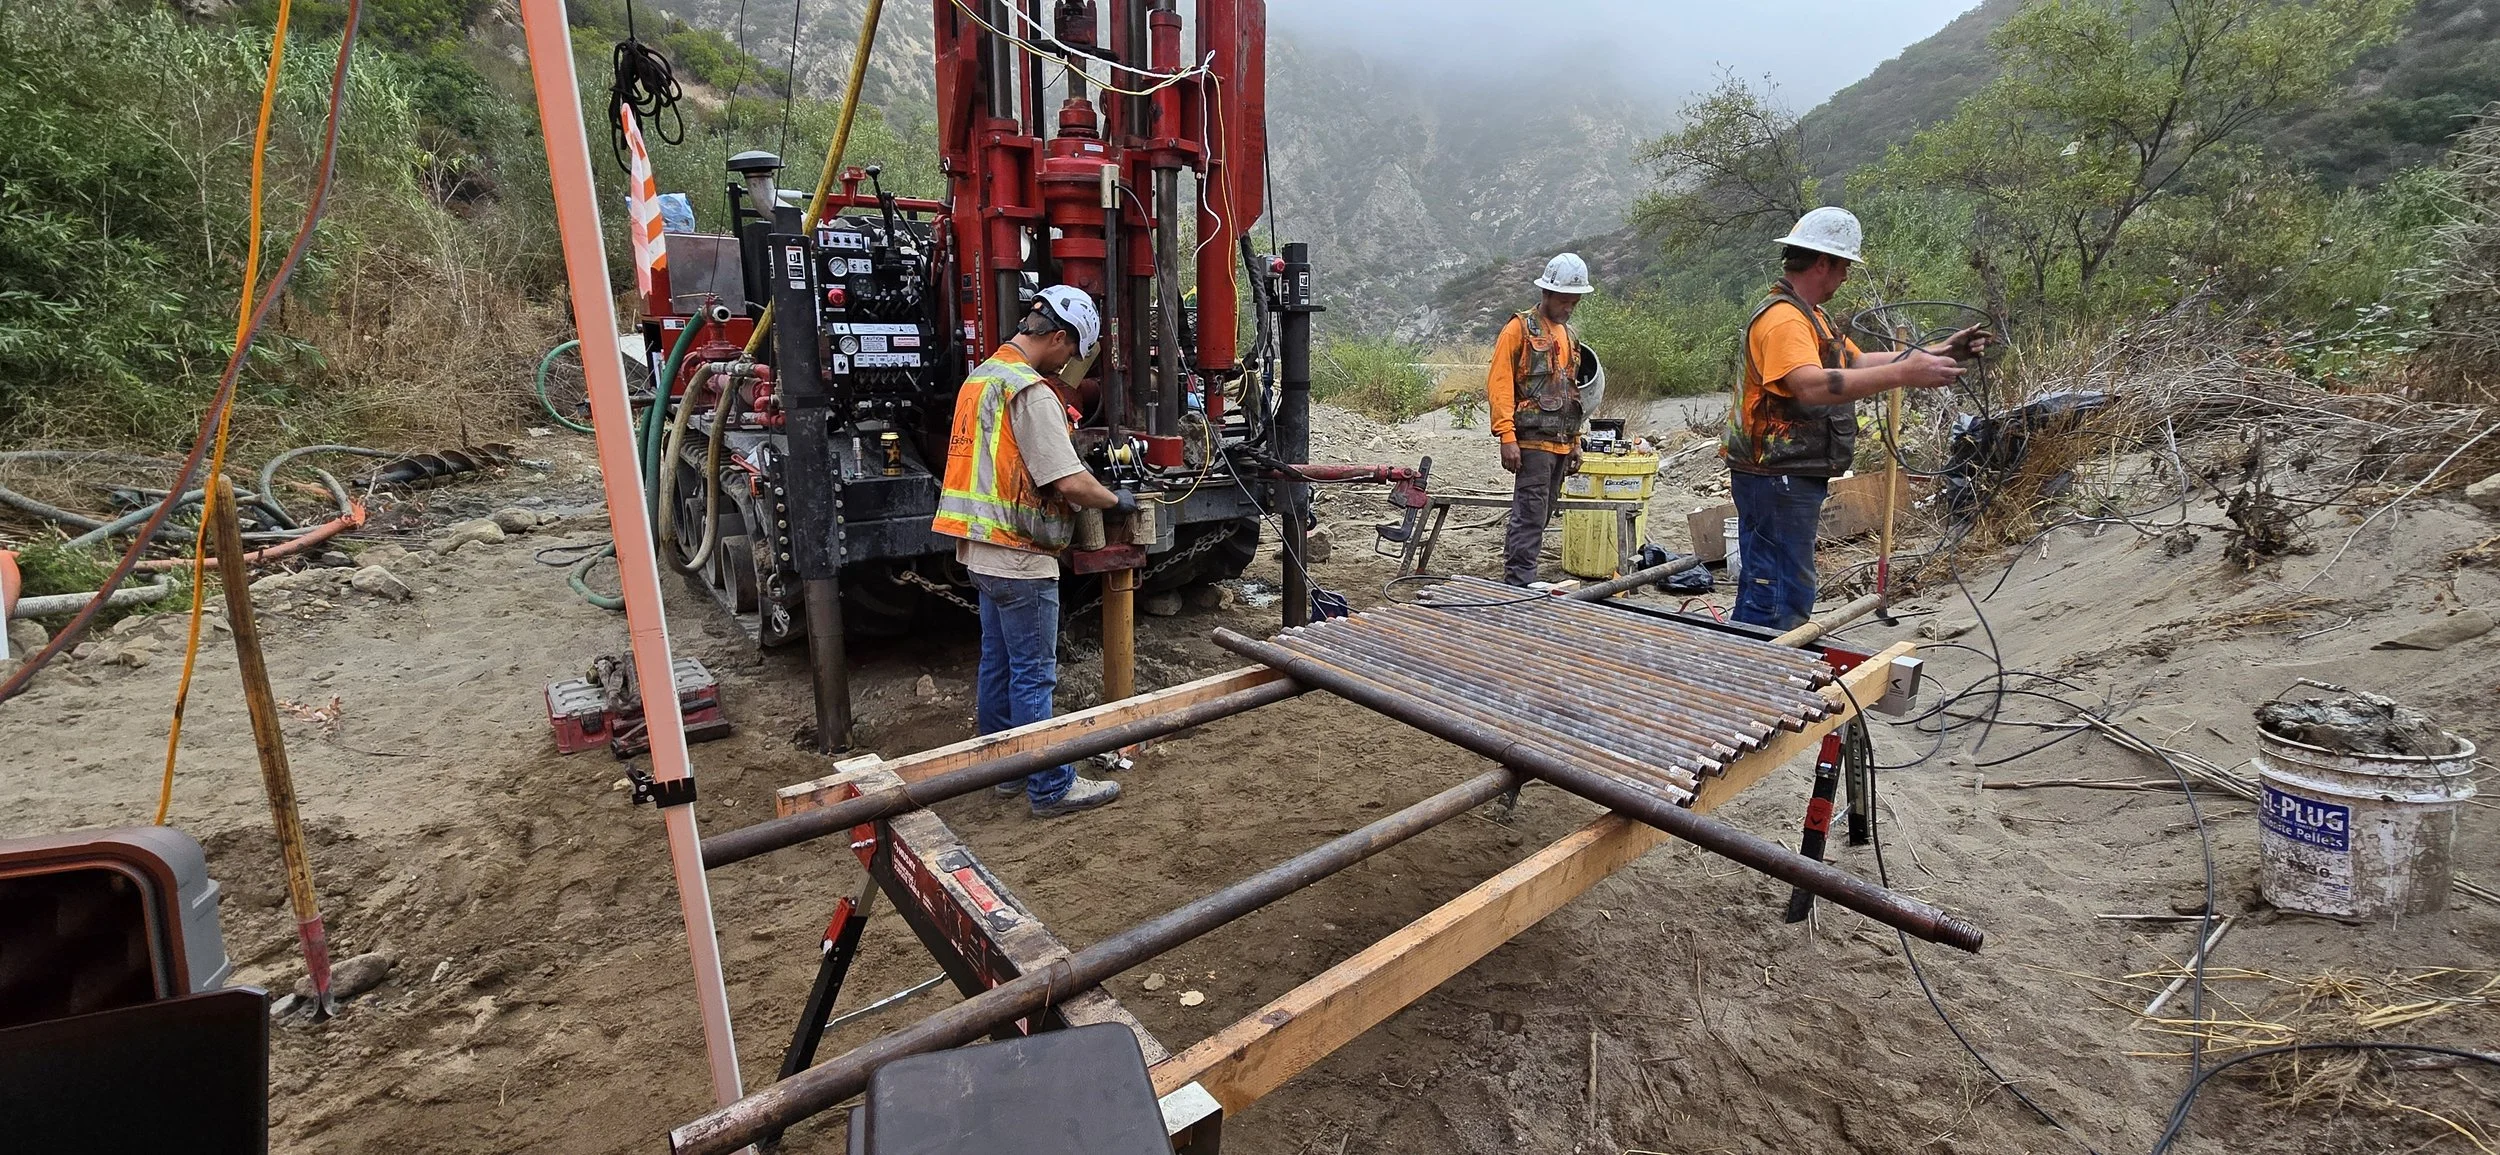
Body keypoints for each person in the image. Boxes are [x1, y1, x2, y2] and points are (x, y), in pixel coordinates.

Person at [1721, 207, 1987, 630]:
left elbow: (1857, 362)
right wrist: (1905, 374)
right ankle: (1755, 677)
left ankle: (1752, 669)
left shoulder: (1811, 316)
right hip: (1774, 477)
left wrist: (1939, 352)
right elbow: (1810, 385)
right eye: (1844, 265)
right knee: (1776, 595)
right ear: (1822, 262)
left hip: (1786, 475)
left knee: (1780, 587)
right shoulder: (1783, 320)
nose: (1846, 276)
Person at [932, 285, 1136, 818]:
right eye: (1072, 351)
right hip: (1020, 556)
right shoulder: (1031, 391)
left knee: (997, 665)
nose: (1070, 363)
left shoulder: (980, 380)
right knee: (1033, 673)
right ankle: (1050, 786)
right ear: (1061, 338)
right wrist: (1116, 499)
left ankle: (1005, 773)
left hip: (978, 551)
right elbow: (1068, 481)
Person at [1488, 252, 1598, 587]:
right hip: (1532, 443)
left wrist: (1576, 441)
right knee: (1530, 514)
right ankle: (1519, 583)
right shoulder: (1518, 329)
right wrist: (1507, 437)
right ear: (1546, 294)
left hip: (1561, 442)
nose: (1568, 308)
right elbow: (1500, 384)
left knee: (1543, 511)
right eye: (1564, 301)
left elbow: (1572, 391)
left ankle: (1522, 578)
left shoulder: (1570, 336)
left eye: (1574, 303)